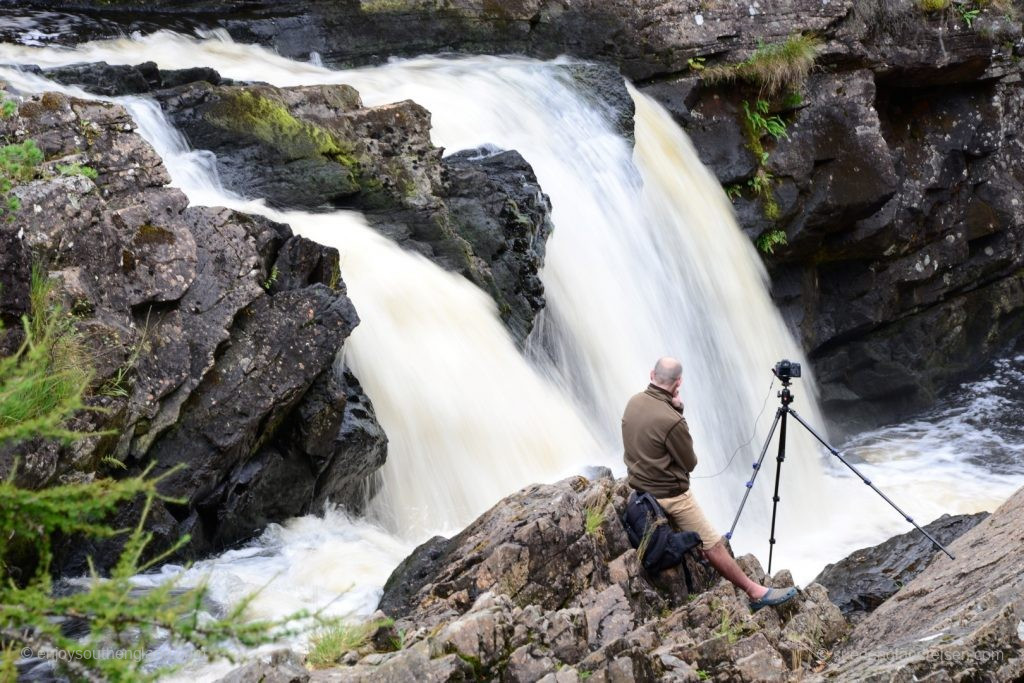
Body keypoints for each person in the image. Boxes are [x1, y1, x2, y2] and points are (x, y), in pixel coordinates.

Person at [621, 357, 797, 612]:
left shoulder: (633, 402)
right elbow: (689, 462)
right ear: (679, 382)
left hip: (637, 485)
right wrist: (678, 412)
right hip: (668, 494)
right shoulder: (672, 420)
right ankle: (755, 591)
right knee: (712, 542)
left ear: (652, 375)